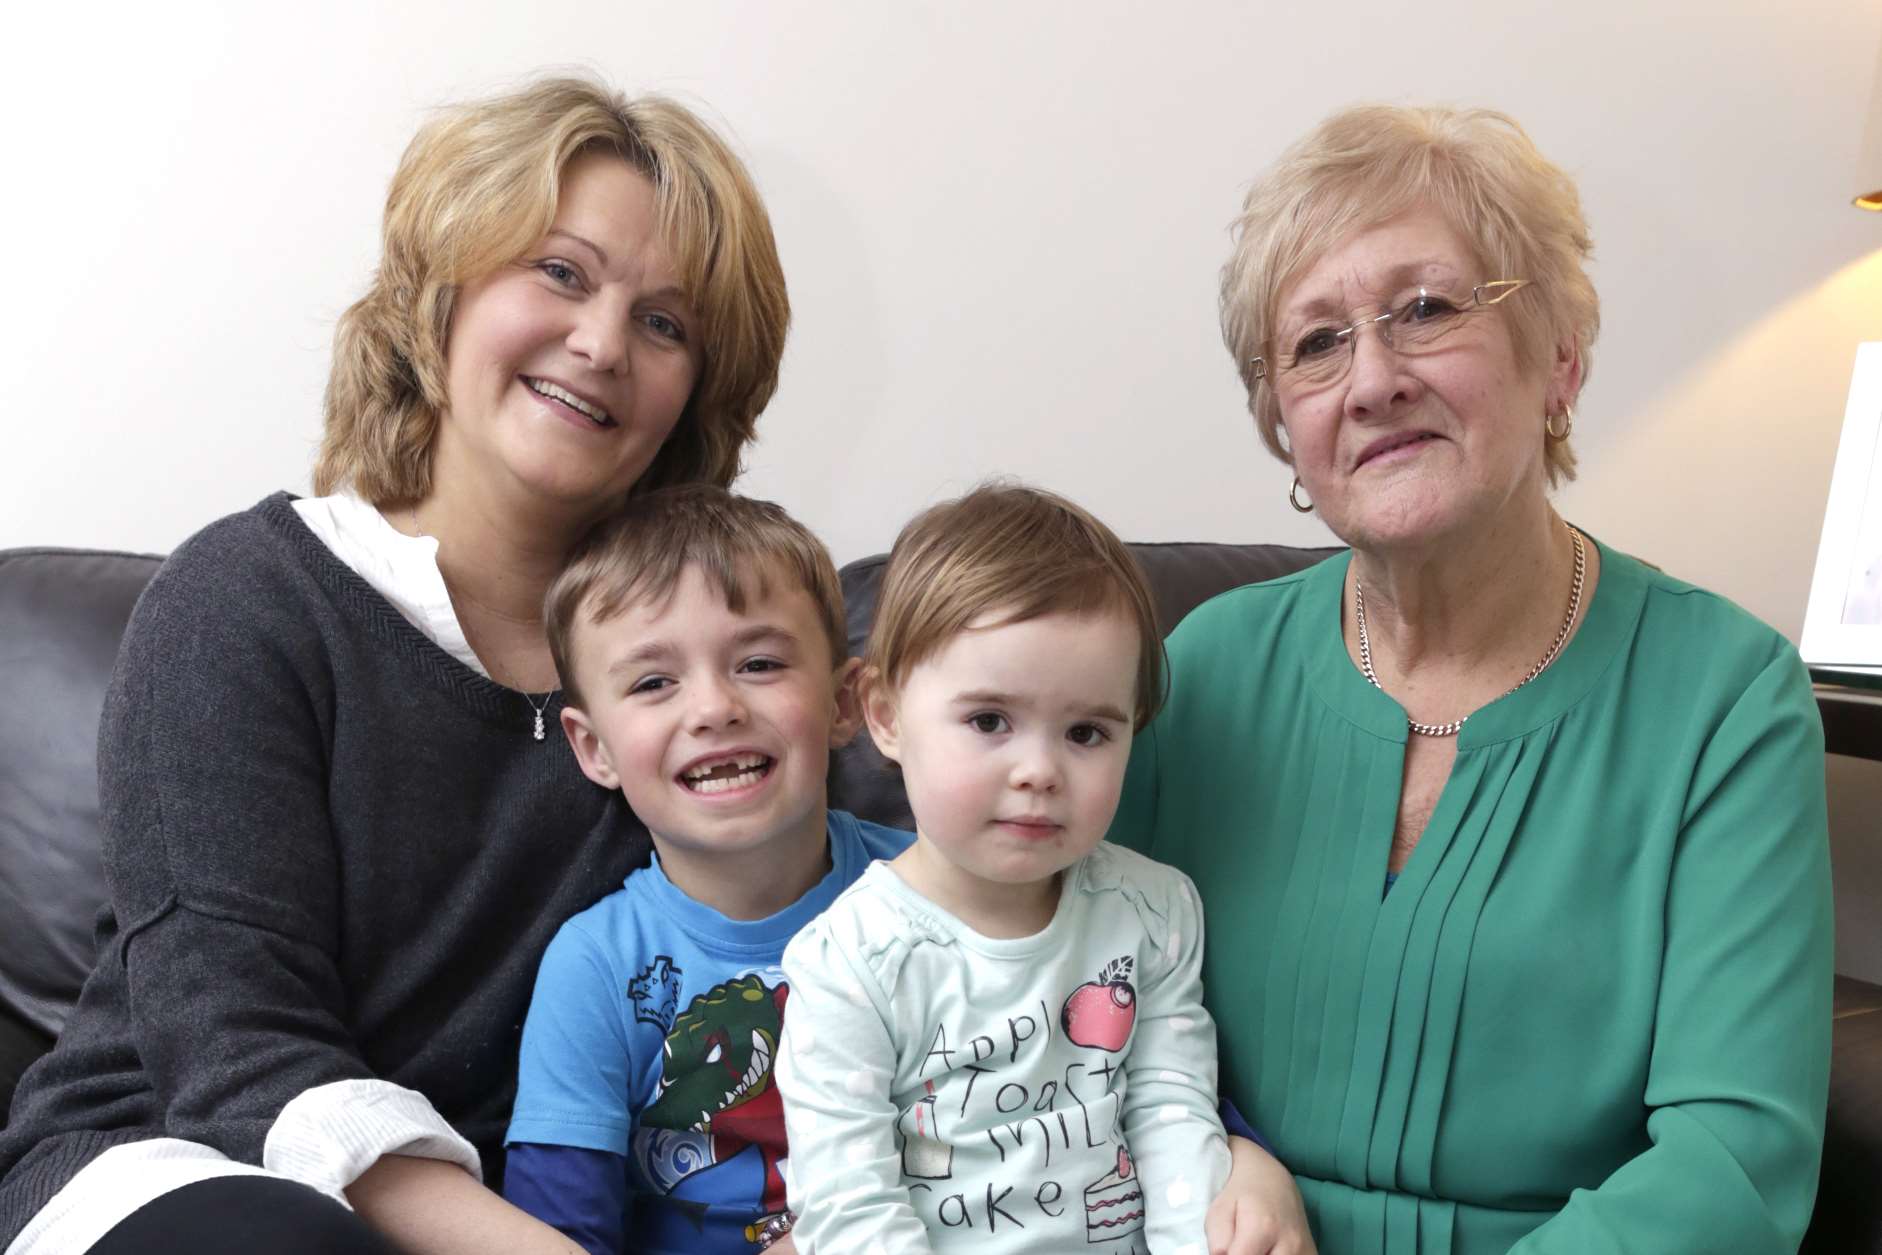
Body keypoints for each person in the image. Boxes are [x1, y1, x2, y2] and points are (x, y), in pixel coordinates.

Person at [0, 76, 790, 1255]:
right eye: (561, 272)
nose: (602, 342)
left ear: (692, 397)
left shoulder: (702, 674)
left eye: (665, 323)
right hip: (178, 1164)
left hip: (519, 1207)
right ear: (443, 294)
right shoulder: (248, 596)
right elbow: (232, 1050)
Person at [1112, 104, 1833, 1253]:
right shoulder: (1198, 673)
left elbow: (1734, 1163)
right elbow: (1065, 1000)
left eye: (1427, 309)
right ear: (1283, 427)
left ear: (1557, 357)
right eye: (1314, 343)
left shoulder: (1724, 698)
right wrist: (1225, 1152)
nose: (1373, 379)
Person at [776, 484, 1312, 1255]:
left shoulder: (1151, 911)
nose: (1040, 769)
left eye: (1087, 732)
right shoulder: (849, 962)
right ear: (885, 714)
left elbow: (1170, 1112)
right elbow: (851, 1207)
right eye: (989, 720)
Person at [499, 485, 911, 1253]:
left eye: (758, 662)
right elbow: (563, 1231)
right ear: (595, 749)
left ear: (846, 702)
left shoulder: (933, 896)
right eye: (655, 682)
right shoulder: (596, 967)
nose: (714, 707)